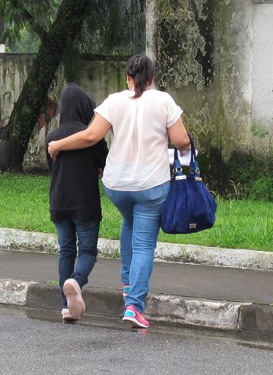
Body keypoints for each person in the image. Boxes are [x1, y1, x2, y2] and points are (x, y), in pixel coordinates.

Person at [48, 54, 190, 328]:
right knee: (144, 245)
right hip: (150, 186)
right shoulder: (163, 101)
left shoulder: (114, 101)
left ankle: (127, 284)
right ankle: (133, 306)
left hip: (117, 186)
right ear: (152, 79)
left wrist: (57, 145)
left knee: (129, 221)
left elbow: (91, 136)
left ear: (127, 78)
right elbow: (181, 141)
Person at [46, 84, 109, 322]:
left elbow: (52, 170)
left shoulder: (52, 138)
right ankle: (77, 280)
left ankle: (65, 306)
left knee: (66, 252)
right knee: (88, 251)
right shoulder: (91, 136)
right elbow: (106, 163)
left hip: (59, 203)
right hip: (85, 204)